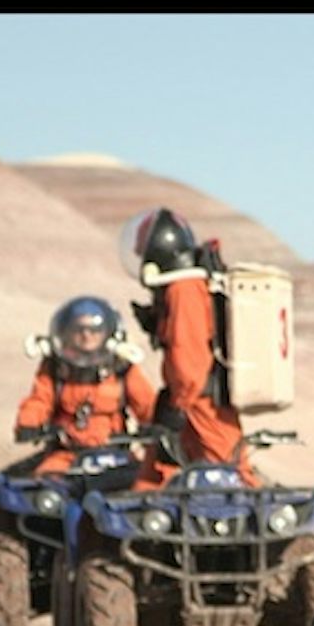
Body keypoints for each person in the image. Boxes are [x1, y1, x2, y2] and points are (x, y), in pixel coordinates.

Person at [118, 207, 261, 489]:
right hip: (190, 403)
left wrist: (176, 407)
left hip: (202, 406)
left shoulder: (184, 290)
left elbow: (189, 360)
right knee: (155, 481)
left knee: (232, 482)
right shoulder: (183, 289)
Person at [13, 296, 160, 476]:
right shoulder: (56, 368)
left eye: (94, 330)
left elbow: (146, 404)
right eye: (80, 330)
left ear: (106, 333)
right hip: (66, 454)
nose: (87, 336)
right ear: (68, 333)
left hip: (114, 454)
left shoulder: (121, 367)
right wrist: (28, 423)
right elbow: (40, 399)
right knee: (44, 488)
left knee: (139, 487)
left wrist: (158, 426)